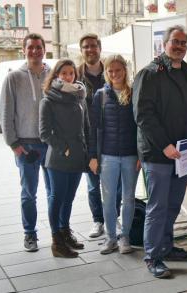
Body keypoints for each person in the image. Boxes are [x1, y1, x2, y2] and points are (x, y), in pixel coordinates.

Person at [133, 25, 187, 279]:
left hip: (183, 154)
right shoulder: (149, 73)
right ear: (164, 44)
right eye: (174, 42)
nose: (179, 46)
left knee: (173, 205)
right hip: (159, 154)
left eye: (183, 43)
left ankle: (166, 247)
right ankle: (153, 256)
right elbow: (143, 115)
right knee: (157, 207)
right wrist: (164, 145)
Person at [0, 33, 52, 252]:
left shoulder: (53, 75)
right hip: (26, 146)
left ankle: (59, 233)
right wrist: (14, 144)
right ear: (24, 50)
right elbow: (5, 113)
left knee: (54, 193)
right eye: (31, 47)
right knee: (29, 193)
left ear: (44, 49)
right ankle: (30, 234)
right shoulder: (13, 78)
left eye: (38, 47)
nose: (35, 51)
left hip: (51, 144)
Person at [88, 55, 140, 255]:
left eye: (118, 70)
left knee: (128, 198)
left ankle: (124, 236)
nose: (114, 74)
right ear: (106, 72)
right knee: (108, 199)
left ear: (125, 71)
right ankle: (110, 237)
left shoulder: (134, 93)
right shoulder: (100, 95)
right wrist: (93, 156)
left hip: (130, 156)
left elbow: (140, 127)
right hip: (107, 156)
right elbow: (94, 129)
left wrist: (140, 156)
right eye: (110, 71)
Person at [39, 59, 88, 258]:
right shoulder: (48, 100)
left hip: (78, 157)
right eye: (64, 73)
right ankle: (56, 242)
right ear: (56, 75)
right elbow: (44, 133)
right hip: (59, 158)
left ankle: (65, 232)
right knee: (57, 198)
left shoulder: (79, 96)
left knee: (69, 199)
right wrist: (64, 148)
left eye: (71, 73)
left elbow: (87, 127)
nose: (68, 77)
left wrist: (88, 150)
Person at [77, 33, 122, 238]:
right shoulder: (75, 75)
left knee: (117, 184)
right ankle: (98, 220)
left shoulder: (112, 70)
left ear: (99, 48)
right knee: (94, 183)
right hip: (88, 137)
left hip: (113, 136)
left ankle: (116, 217)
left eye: (93, 46)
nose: (90, 50)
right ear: (82, 50)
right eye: (86, 47)